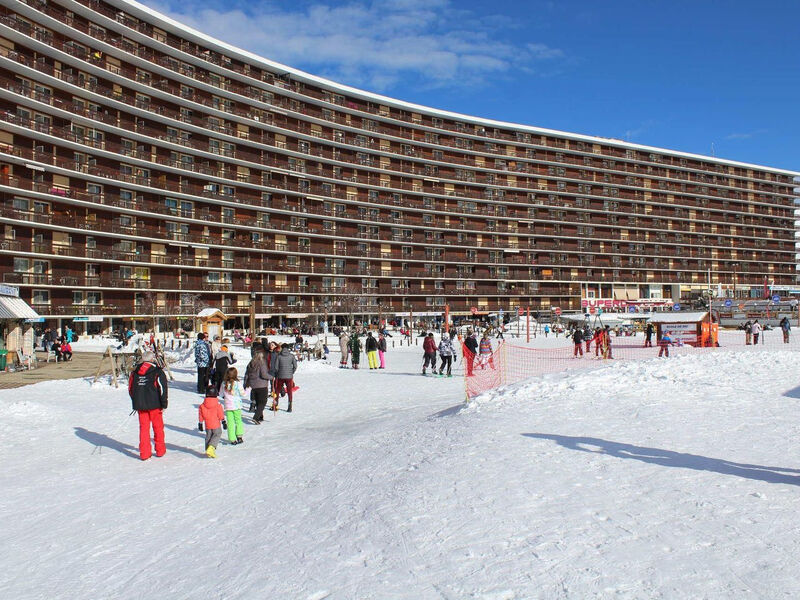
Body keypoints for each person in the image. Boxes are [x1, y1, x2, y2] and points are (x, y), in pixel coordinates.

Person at [128, 351, 168, 461]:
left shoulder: (135, 372)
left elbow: (131, 388)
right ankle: (160, 450)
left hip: (141, 405)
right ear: (152, 359)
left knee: (144, 429)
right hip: (155, 404)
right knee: (158, 427)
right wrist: (164, 404)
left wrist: (136, 401)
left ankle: (144, 453)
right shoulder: (157, 371)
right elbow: (162, 389)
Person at [219, 367, 247, 445]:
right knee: (238, 421)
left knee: (230, 422)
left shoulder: (223, 383)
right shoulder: (238, 383)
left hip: (228, 406)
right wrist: (247, 390)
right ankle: (239, 436)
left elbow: (221, 394)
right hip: (237, 405)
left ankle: (232, 439)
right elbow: (243, 394)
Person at [244, 350, 272, 424]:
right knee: (263, 402)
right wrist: (271, 377)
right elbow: (264, 374)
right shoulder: (262, 363)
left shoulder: (250, 363)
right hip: (262, 384)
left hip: (253, 385)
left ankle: (260, 416)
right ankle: (256, 417)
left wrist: (245, 383)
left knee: (258, 401)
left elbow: (246, 374)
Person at [198, 385, 225, 458]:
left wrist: (200, 423)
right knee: (217, 434)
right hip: (216, 424)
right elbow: (220, 414)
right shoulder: (217, 405)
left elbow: (201, 415)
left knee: (208, 436)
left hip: (207, 425)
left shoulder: (202, 406)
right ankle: (211, 447)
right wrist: (223, 421)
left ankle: (207, 449)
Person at [270, 343, 298, 412]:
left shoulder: (279, 356)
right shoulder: (291, 356)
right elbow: (295, 366)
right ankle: (289, 406)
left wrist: (277, 372)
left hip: (280, 376)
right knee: (289, 391)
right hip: (289, 377)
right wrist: (292, 372)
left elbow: (276, 367)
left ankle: (275, 405)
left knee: (277, 390)